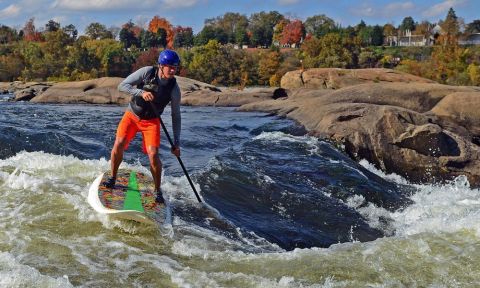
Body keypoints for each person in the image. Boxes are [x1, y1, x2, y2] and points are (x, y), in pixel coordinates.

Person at [105, 49, 182, 204]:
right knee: (119, 144)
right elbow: (122, 86)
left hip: (151, 122)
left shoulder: (174, 89)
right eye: (169, 66)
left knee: (153, 154)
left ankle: (157, 190)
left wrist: (176, 142)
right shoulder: (147, 72)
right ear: (161, 65)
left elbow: (176, 116)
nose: (172, 70)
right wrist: (140, 92)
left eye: (175, 67)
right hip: (132, 116)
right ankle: (113, 177)